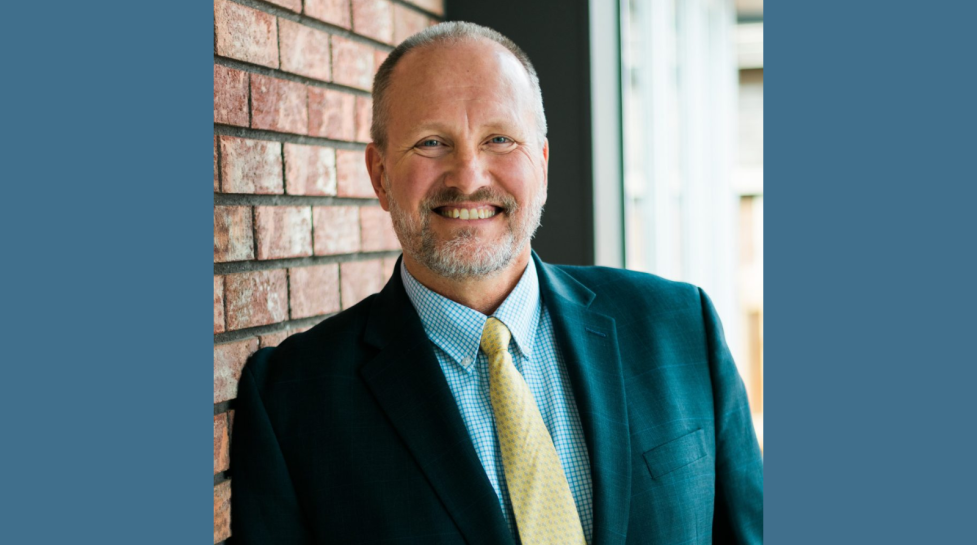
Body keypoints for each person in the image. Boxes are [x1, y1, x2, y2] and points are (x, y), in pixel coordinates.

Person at [232, 22, 762, 545]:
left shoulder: (678, 325)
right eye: (432, 142)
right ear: (379, 174)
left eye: (500, 139)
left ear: (544, 163)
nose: (468, 176)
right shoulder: (292, 400)